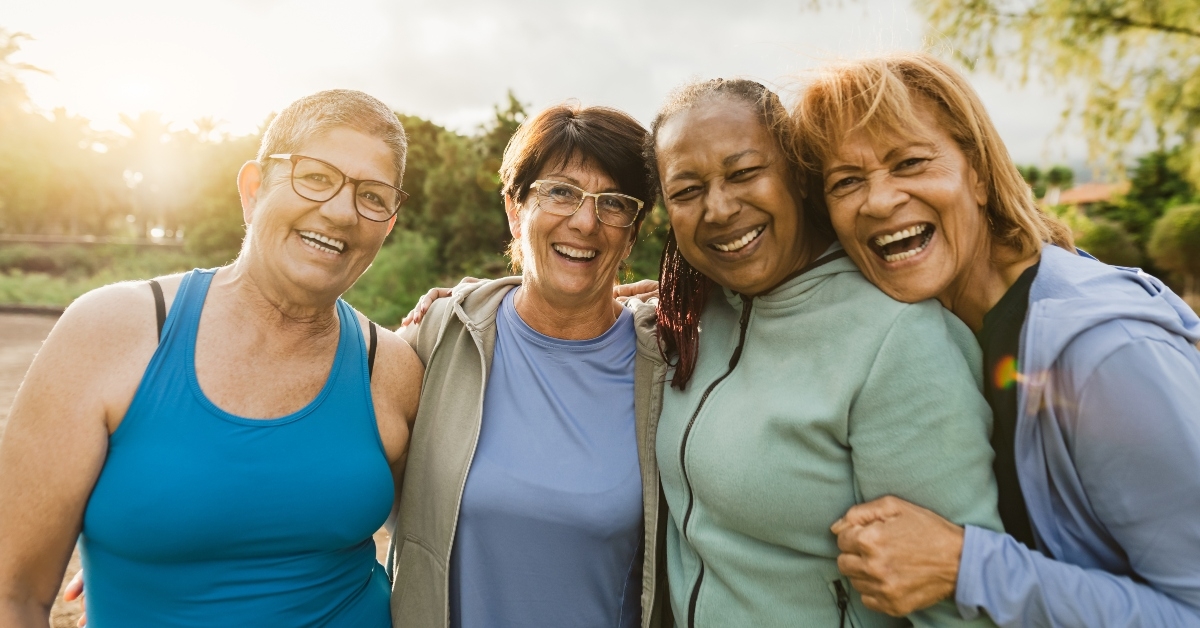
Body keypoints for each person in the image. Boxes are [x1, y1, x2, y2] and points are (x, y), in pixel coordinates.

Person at [795, 52, 1200, 626]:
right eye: (846, 181)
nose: (879, 201)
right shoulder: (942, 324)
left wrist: (967, 565)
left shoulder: (1106, 356)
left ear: (978, 175)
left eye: (909, 162)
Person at [0, 89, 422, 627]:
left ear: (388, 224)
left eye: (373, 196)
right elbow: (14, 597)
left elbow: (451, 539)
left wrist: (484, 295)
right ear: (253, 188)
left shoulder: (392, 368)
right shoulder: (110, 333)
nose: (341, 212)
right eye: (315, 177)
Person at [646, 78, 1001, 627]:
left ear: (798, 178)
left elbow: (962, 610)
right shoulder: (695, 315)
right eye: (687, 191)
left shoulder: (898, 338)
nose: (718, 208)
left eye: (744, 173)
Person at [387, 102, 671, 628]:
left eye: (614, 203)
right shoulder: (438, 337)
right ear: (515, 211)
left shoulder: (670, 362)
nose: (586, 221)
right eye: (559, 191)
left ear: (632, 232)